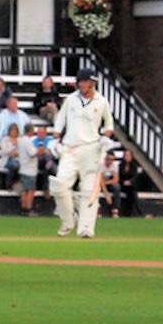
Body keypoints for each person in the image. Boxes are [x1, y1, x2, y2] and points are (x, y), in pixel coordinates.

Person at [51, 68, 116, 239]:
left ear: (92, 83)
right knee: (59, 186)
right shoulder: (71, 100)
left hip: (91, 149)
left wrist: (105, 138)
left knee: (88, 190)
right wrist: (55, 139)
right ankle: (68, 220)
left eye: (85, 82)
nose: (81, 85)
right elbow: (60, 122)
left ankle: (86, 227)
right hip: (70, 148)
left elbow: (108, 125)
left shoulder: (101, 101)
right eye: (80, 82)